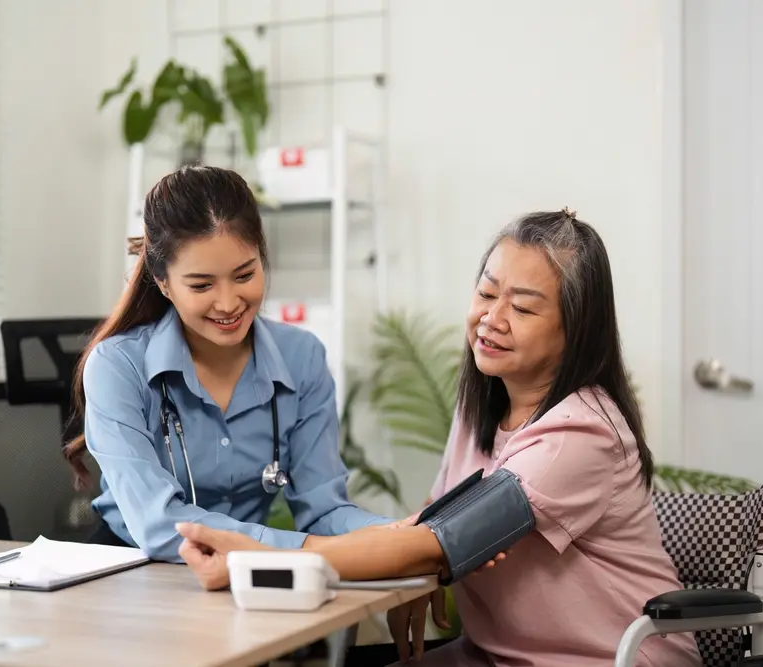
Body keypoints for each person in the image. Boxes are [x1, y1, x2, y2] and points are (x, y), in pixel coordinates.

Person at [174, 209, 704, 667]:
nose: (491, 319)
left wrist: (260, 557)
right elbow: (434, 519)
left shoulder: (581, 432)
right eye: (487, 293)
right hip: (499, 655)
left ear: (576, 328)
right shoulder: (484, 405)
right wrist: (418, 565)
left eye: (521, 308)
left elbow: (441, 539)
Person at [62, 164, 398, 562]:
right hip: (130, 569)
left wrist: (396, 538)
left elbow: (324, 509)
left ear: (262, 255)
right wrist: (317, 552)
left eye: (244, 275)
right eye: (202, 285)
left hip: (243, 572)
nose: (228, 303)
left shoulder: (302, 357)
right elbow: (157, 524)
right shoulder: (117, 366)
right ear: (163, 281)